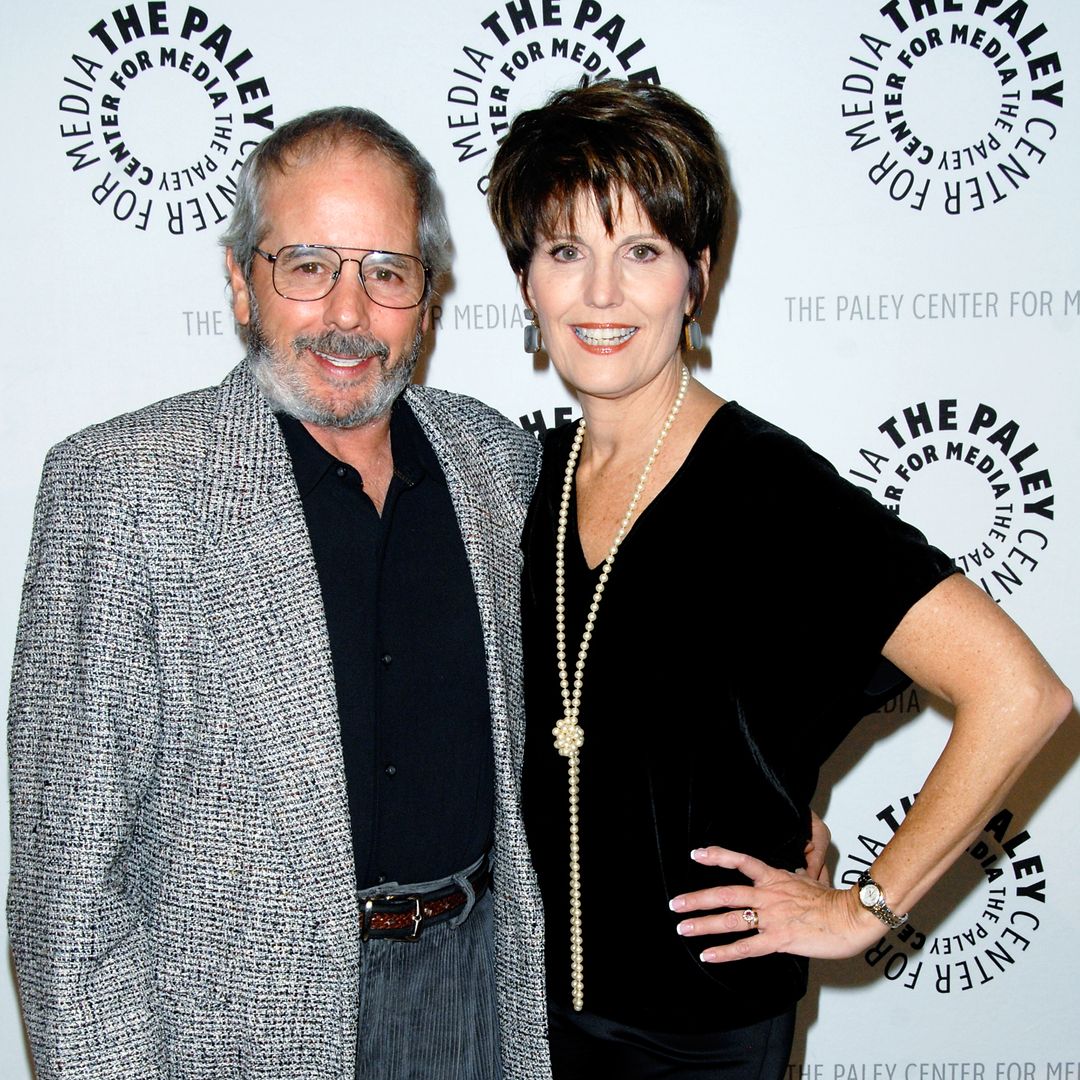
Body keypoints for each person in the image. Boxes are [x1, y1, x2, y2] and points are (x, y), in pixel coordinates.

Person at [486, 80, 1072, 1079]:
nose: (601, 295)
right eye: (566, 251)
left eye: (643, 252)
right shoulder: (527, 479)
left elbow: (1020, 693)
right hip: (533, 1017)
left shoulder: (769, 490)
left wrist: (862, 910)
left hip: (698, 1031)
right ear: (528, 281)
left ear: (695, 277)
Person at [7, 107, 552, 1080]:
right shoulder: (122, 487)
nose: (347, 315)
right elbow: (66, 897)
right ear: (240, 281)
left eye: (385, 273)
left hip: (478, 1001)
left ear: (427, 298)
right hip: (239, 1036)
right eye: (308, 266)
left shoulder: (499, 465)